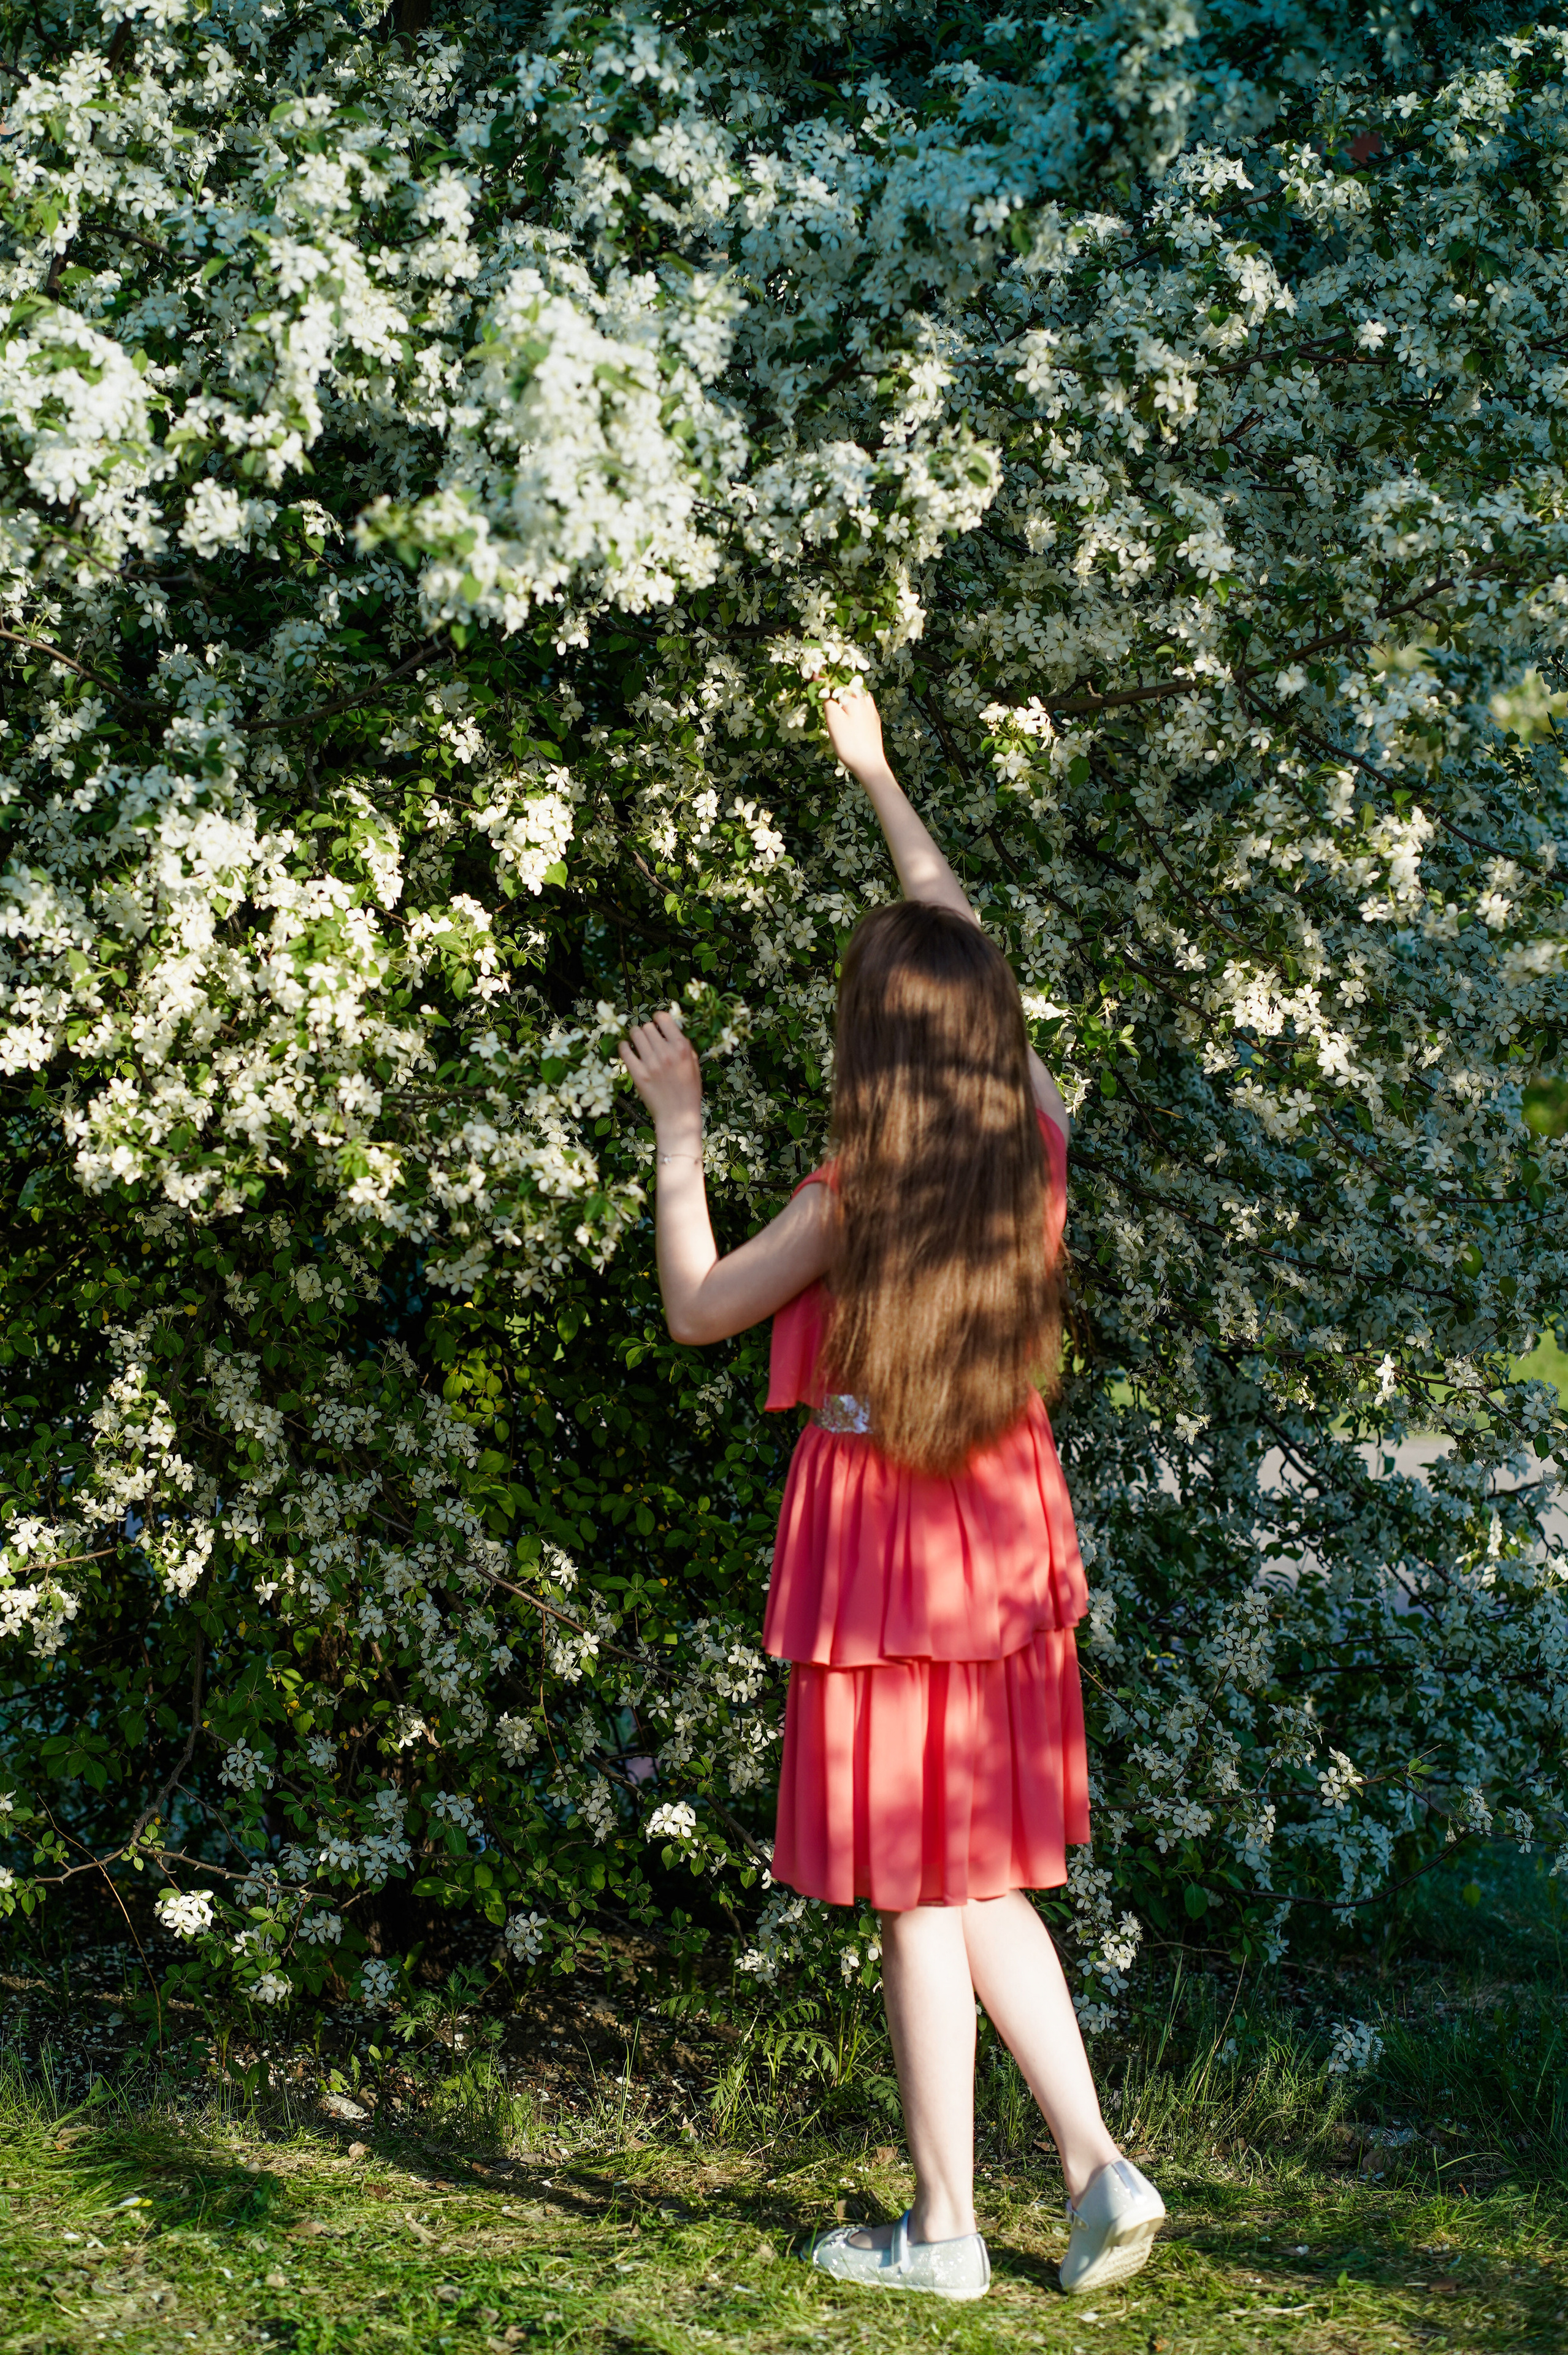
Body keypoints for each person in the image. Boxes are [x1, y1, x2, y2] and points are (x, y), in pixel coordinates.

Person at [618, 686, 1165, 2303]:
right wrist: (878, 775)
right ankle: (1094, 2166)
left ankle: (947, 2233)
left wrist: (680, 1133)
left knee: (922, 1893)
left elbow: (700, 1308)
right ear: (990, 1030)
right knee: (973, 1865)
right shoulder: (1035, 1151)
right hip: (999, 1523)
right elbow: (956, 925)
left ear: (877, 1041)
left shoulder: (858, 1196)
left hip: (886, 1543)